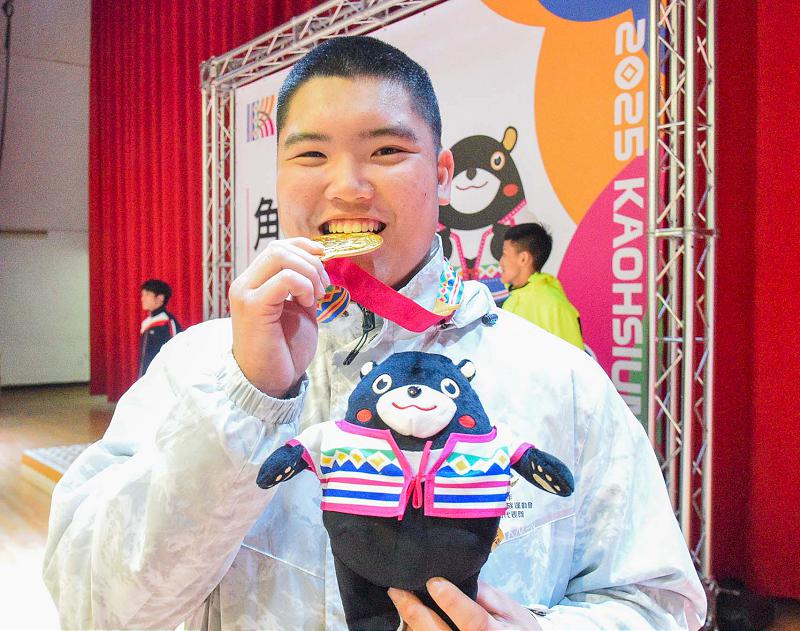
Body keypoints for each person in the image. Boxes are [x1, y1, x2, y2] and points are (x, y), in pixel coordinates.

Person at [43, 36, 706, 630]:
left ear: (442, 176)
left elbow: (658, 600)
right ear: (279, 177)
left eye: (386, 151)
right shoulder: (197, 366)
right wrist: (248, 401)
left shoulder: (558, 379)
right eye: (311, 154)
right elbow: (94, 608)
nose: (348, 186)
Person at [499, 223, 585, 351]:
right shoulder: (511, 300)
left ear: (523, 259)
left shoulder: (554, 304)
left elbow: (575, 359)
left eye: (505, 254)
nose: (501, 262)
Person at [138, 278, 182, 377]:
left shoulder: (168, 321)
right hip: (145, 378)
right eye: (142, 295)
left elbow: (176, 350)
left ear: (160, 298)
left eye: (147, 294)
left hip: (161, 378)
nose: (143, 299)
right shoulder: (146, 323)